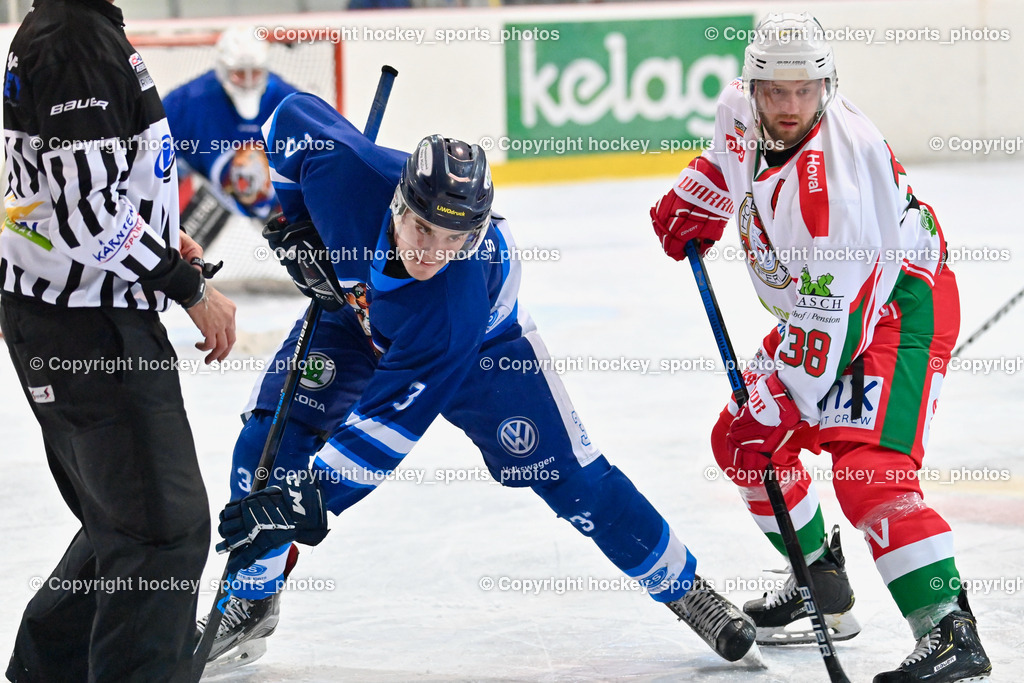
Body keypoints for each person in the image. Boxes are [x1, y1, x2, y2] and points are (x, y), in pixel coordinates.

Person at [196, 91, 760, 671]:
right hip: (355, 313)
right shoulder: (348, 171)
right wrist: (300, 221)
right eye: (421, 227)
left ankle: (684, 587)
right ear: (398, 201)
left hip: (482, 350)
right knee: (268, 439)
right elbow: (286, 120)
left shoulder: (451, 305)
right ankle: (252, 597)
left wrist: (307, 500)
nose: (432, 253)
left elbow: (385, 429)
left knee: (571, 479)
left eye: (455, 238)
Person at [649, 12, 991, 683]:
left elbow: (836, 328)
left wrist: (779, 401)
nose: (788, 105)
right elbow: (730, 163)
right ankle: (822, 583)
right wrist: (701, 196)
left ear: (825, 86)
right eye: (774, 90)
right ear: (753, 84)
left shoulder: (839, 185)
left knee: (868, 469)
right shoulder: (737, 109)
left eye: (803, 90)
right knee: (741, 443)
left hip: (896, 306)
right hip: (823, 309)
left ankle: (949, 629)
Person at [0, 0, 237, 680]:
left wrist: (161, 238)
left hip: (65, 319)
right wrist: (186, 285)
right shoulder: (75, 39)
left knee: (124, 524)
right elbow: (89, 213)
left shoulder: (67, 28)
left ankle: (48, 672)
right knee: (161, 533)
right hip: (90, 328)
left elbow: (73, 194)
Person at [162, 26, 300, 244]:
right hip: (205, 191)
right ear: (222, 70)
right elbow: (158, 170)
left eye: (254, 72)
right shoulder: (183, 105)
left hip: (272, 205)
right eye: (238, 73)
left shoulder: (291, 104)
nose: (247, 81)